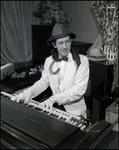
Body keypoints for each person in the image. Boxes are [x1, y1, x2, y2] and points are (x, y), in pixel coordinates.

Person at [11, 23, 89, 118]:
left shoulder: (82, 60)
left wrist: (53, 99)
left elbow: (78, 90)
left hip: (75, 111)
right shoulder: (49, 61)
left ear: (71, 41)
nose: (65, 46)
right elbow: (43, 82)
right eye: (60, 43)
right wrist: (28, 93)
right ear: (54, 44)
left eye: (67, 42)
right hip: (55, 109)